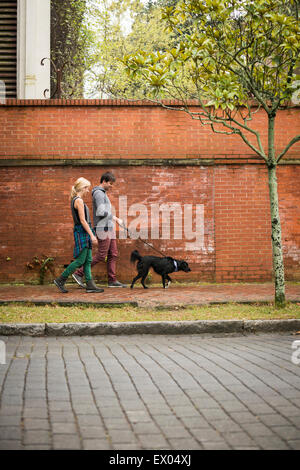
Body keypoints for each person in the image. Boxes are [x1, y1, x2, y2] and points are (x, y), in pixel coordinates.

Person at [72, 171, 127, 288]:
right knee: (102, 255)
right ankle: (78, 273)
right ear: (104, 181)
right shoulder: (98, 193)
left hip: (109, 227)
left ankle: (112, 280)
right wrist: (115, 218)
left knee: (113, 253)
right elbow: (101, 212)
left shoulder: (103, 193)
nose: (111, 186)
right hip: (103, 228)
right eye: (110, 184)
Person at [54, 177, 104, 293]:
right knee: (81, 260)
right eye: (87, 188)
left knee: (88, 260)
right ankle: (60, 279)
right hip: (82, 231)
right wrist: (92, 235)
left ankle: (90, 285)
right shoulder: (78, 201)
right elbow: (83, 220)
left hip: (83, 230)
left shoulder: (77, 200)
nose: (88, 191)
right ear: (82, 188)